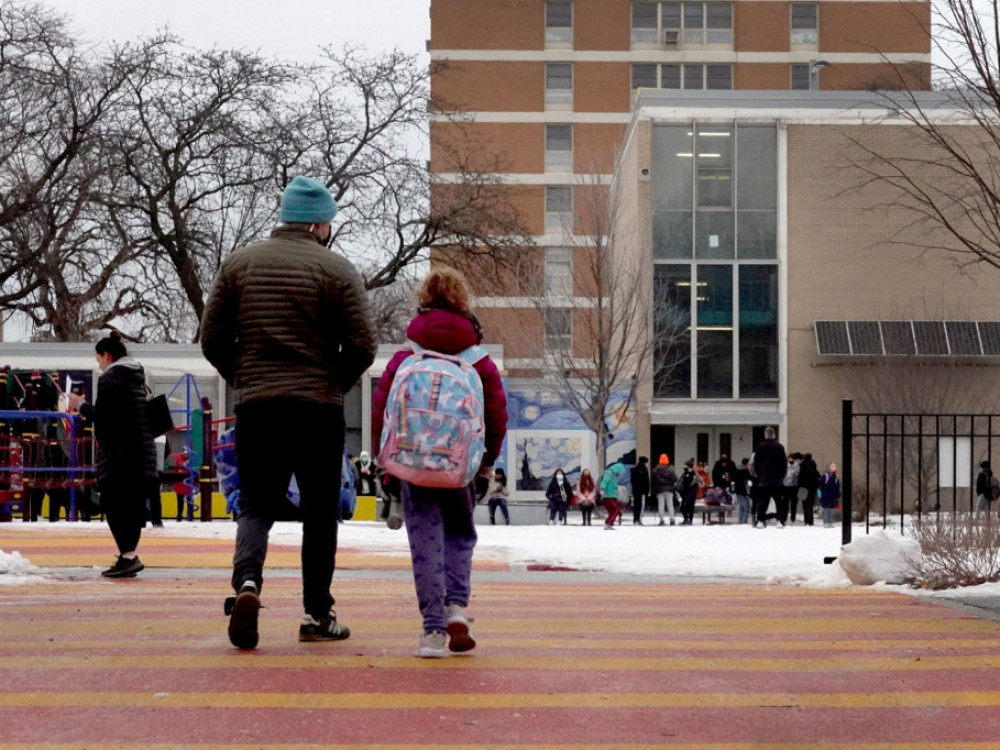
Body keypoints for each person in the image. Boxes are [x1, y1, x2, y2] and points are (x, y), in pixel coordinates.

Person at [201, 176, 376, 650]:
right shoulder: (337, 270)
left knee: (256, 505)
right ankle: (317, 614)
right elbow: (363, 345)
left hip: (259, 408)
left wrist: (247, 379)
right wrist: (332, 384)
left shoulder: (239, 264)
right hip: (318, 409)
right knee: (320, 511)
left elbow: (211, 340)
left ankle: (247, 585)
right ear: (320, 223)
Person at [372, 268, 507, 658]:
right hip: (459, 466)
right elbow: (497, 417)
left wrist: (387, 464)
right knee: (459, 535)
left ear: (424, 300)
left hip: (413, 464)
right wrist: (485, 465)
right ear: (464, 303)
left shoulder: (406, 356)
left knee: (425, 541)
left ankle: (432, 631)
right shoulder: (478, 362)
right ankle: (457, 609)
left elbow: (382, 411)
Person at [67, 333, 158, 578]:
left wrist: (80, 405)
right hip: (142, 452)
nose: (99, 365)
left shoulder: (111, 379)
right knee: (132, 507)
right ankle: (128, 556)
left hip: (120, 454)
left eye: (99, 360)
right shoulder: (136, 376)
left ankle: (128, 556)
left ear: (107, 355)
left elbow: (105, 418)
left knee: (115, 504)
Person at [750, 427, 788, 528]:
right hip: (776, 479)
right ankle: (780, 520)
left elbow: (756, 463)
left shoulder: (760, 447)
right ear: (774, 435)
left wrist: (759, 475)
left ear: (765, 435)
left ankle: (761, 520)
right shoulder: (780, 447)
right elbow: (784, 463)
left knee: (763, 501)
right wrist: (782, 475)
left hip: (764, 479)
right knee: (778, 501)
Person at [651, 454, 678, 526]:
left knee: (661, 505)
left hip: (659, 490)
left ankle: (661, 520)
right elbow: (675, 479)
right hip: (669, 489)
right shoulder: (670, 470)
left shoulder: (655, 470)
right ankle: (672, 520)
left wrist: (653, 490)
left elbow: (653, 481)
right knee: (670, 505)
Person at [600, 461, 627, 530]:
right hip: (608, 495)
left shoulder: (613, 474)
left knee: (613, 509)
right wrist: (602, 489)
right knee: (616, 508)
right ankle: (608, 523)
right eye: (620, 472)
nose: (620, 474)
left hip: (612, 495)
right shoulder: (609, 472)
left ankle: (609, 523)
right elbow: (605, 481)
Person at [677, 458, 701, 526]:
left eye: (685, 465)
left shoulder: (692, 474)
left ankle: (689, 520)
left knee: (689, 506)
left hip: (690, 492)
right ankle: (686, 519)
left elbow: (691, 483)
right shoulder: (685, 473)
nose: (684, 467)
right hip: (685, 492)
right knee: (683, 507)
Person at [798, 452, 819, 526]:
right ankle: (811, 521)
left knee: (805, 505)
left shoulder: (802, 466)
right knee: (810, 505)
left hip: (804, 488)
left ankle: (806, 521)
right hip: (812, 488)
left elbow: (800, 478)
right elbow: (817, 476)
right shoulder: (813, 465)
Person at [819, 462, 841, 528]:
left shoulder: (835, 478)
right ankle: (826, 522)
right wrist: (821, 495)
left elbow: (836, 487)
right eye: (832, 466)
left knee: (830, 509)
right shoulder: (826, 476)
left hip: (831, 496)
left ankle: (829, 522)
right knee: (827, 509)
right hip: (826, 495)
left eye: (834, 466)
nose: (833, 468)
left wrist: (837, 494)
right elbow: (821, 486)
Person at [630, 456, 650, 525]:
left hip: (635, 490)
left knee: (636, 505)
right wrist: (647, 491)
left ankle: (635, 519)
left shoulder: (634, 470)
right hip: (642, 490)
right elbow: (646, 481)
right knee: (640, 505)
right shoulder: (644, 470)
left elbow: (632, 481)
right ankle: (638, 519)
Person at [734, 458, 753, 525]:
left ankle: (740, 521)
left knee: (742, 506)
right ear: (746, 464)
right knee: (746, 507)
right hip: (743, 491)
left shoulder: (737, 470)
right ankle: (744, 521)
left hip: (738, 490)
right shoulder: (745, 471)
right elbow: (747, 482)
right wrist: (749, 490)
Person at [784, 452, 802, 523]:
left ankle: (793, 517)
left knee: (793, 504)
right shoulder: (785, 465)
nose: (791, 459)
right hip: (786, 486)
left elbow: (798, 475)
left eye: (792, 458)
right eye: (790, 458)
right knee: (786, 503)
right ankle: (785, 516)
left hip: (794, 487)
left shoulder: (797, 466)